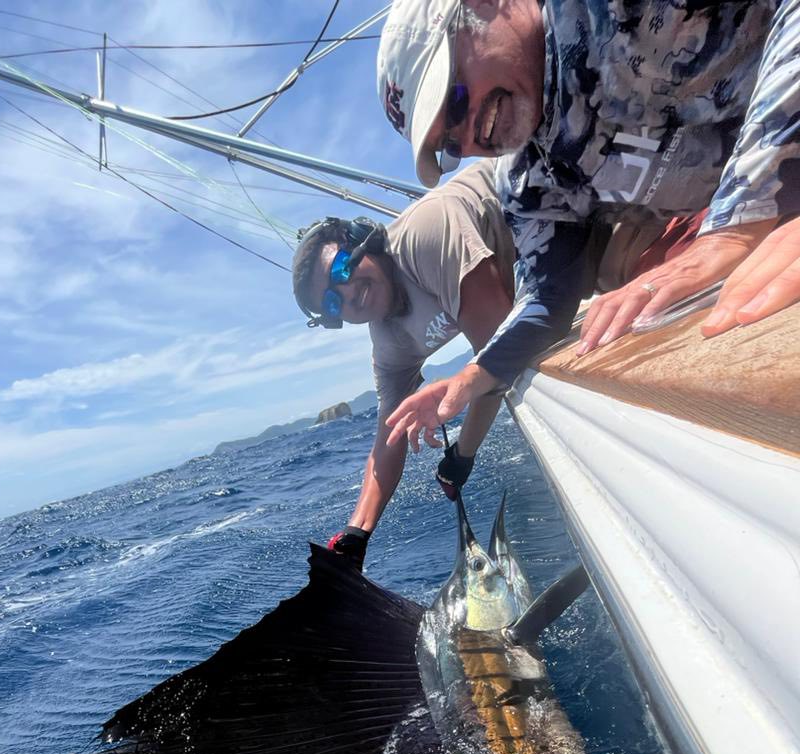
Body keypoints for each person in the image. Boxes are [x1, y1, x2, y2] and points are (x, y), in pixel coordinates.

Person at [376, 0, 800, 449]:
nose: (471, 139)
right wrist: (474, 374)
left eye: (454, 102)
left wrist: (739, 217)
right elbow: (548, 297)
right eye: (450, 144)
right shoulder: (532, 179)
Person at [292, 162, 515, 568]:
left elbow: (502, 351)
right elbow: (388, 437)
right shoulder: (389, 341)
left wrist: (463, 455)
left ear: (363, 241)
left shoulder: (423, 237)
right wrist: (357, 532)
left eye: (342, 268)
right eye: (331, 303)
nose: (346, 292)